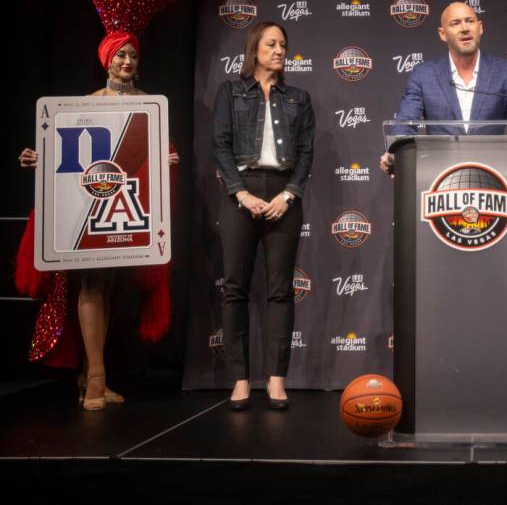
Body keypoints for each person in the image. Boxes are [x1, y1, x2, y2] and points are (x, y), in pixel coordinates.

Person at [18, 32, 178, 410]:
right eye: (120, 55)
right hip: (89, 210)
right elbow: (67, 153)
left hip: (127, 212)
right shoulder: (87, 104)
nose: (127, 62)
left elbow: (151, 159)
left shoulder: (150, 106)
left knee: (108, 290)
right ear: (107, 59)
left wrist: (166, 159)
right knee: (92, 284)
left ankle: (90, 374)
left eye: (133, 56)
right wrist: (39, 160)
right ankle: (95, 381)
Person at [212, 21, 315, 411]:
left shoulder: (298, 98)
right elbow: (220, 145)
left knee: (280, 291)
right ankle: (240, 380)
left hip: (283, 195)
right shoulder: (230, 91)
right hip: (241, 192)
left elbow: (306, 153)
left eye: (283, 45)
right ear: (254, 48)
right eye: (271, 44)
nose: (279, 50)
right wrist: (240, 192)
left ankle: (276, 380)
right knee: (235, 287)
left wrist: (289, 195)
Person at [379, 1, 507, 174]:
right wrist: (395, 152)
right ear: (443, 34)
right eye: (455, 23)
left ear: (480, 28)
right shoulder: (423, 74)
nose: (464, 28)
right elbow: (405, 123)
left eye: (469, 21)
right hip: (439, 177)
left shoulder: (506, 72)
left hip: (495, 175)